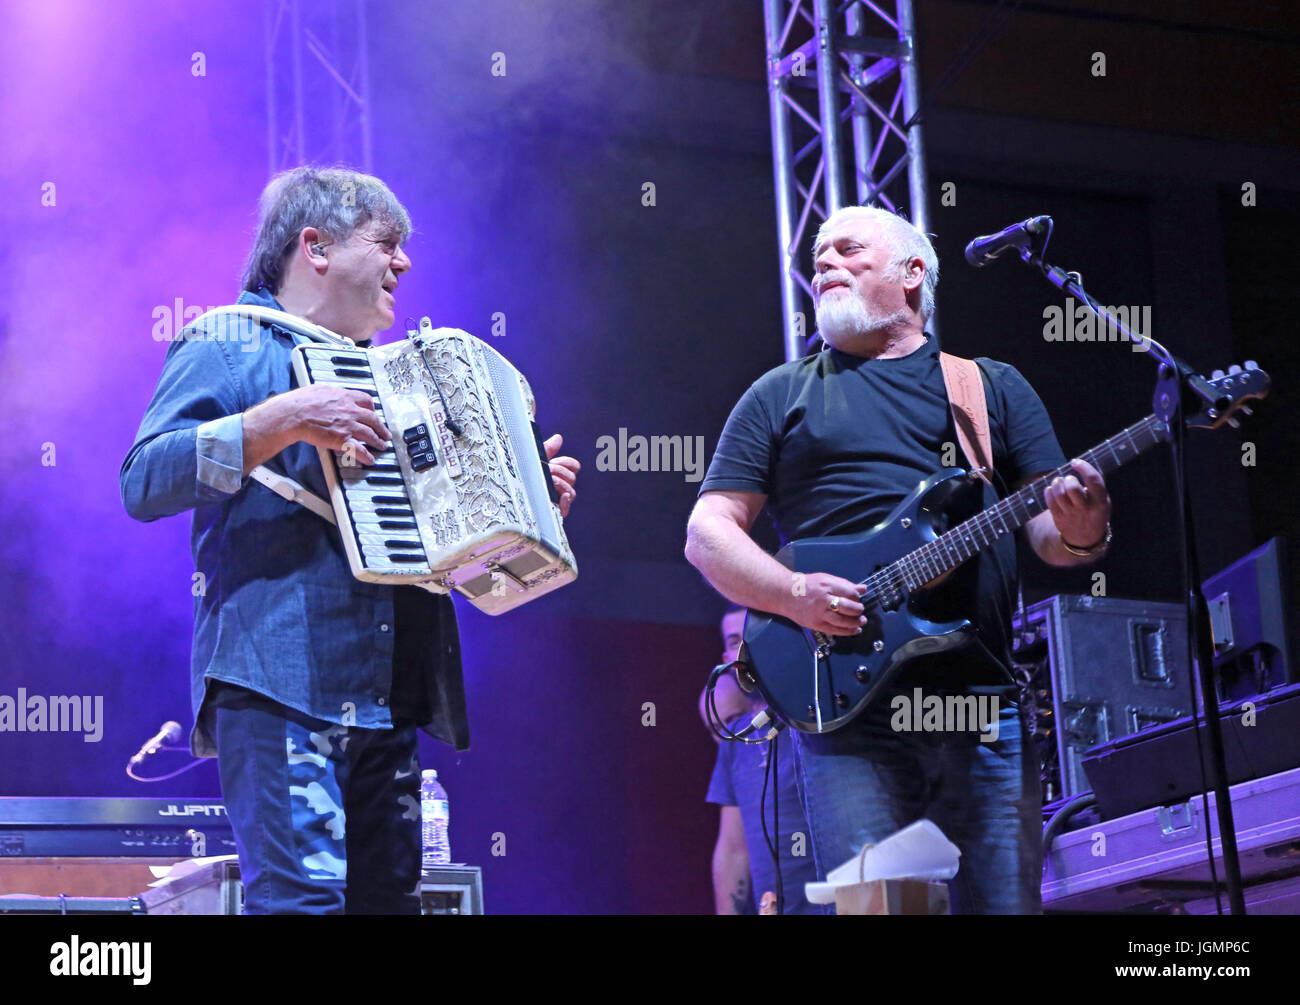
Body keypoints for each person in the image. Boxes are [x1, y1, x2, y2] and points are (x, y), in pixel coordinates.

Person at [121, 166, 579, 914]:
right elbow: (145, 479)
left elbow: (452, 555)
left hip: (390, 693)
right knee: (302, 905)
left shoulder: (397, 378)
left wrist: (529, 510)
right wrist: (284, 419)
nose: (405, 264)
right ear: (317, 246)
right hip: (281, 681)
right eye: (388, 243)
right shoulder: (228, 342)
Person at [684, 205, 1111, 914]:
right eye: (818, 254)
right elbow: (708, 533)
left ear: (913, 273)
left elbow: (1048, 533)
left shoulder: (989, 387)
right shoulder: (780, 394)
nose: (823, 262)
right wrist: (792, 594)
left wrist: (1083, 529)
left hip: (979, 704)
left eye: (847, 249)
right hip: (851, 717)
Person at [702, 604, 820, 915]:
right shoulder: (737, 738)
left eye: (750, 637)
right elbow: (732, 848)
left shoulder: (818, 717)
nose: (741, 650)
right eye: (732, 642)